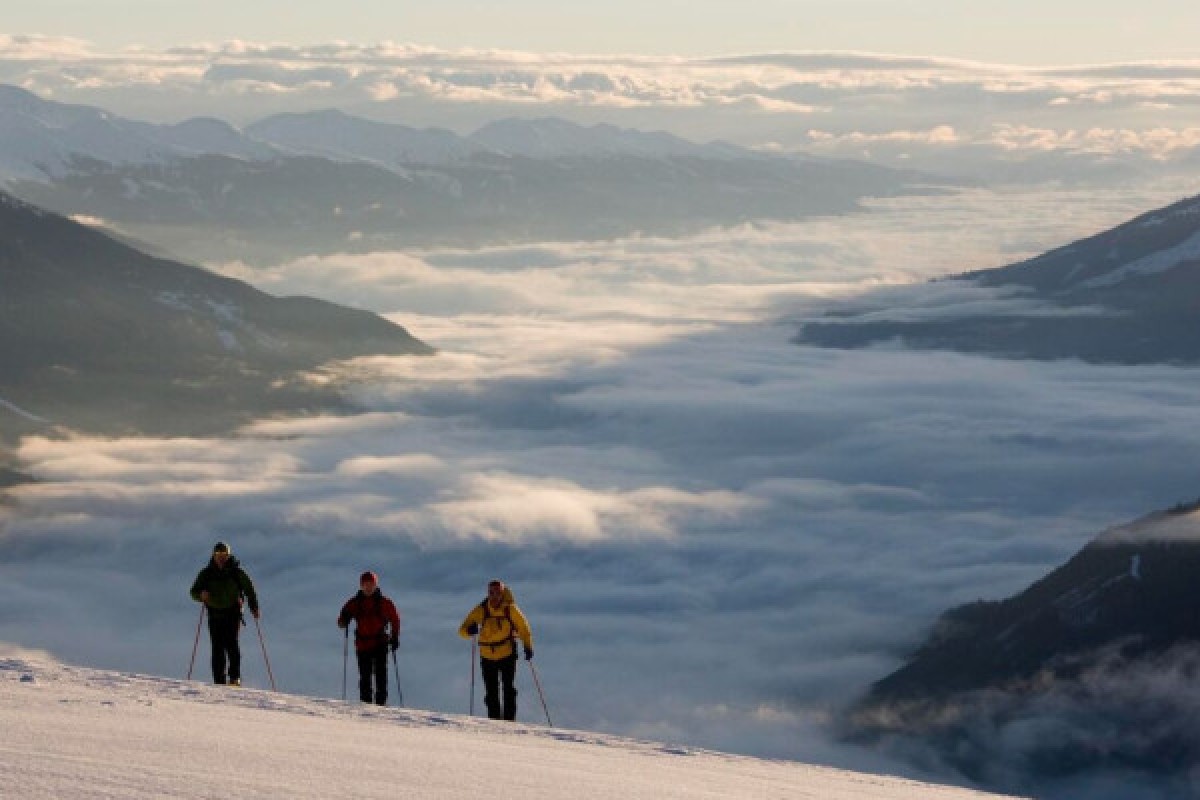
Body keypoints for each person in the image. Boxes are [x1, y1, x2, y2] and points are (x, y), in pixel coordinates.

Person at [458, 579, 534, 721]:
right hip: (488, 656)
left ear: (502, 593)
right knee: (492, 692)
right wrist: (469, 630)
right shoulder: (482, 609)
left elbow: (524, 628)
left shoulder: (510, 609)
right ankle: (495, 723)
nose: (493, 596)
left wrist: (528, 646)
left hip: (507, 653)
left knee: (508, 689)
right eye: (491, 593)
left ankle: (509, 721)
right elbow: (461, 631)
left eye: (497, 593)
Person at [189, 541, 259, 686]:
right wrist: (201, 595)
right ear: (214, 555)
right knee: (217, 649)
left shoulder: (237, 573)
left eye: (224, 554)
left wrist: (254, 607)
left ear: (228, 555)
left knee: (232, 645)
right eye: (218, 554)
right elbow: (193, 592)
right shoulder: (206, 573)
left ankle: (234, 678)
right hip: (214, 615)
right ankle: (219, 682)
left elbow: (249, 590)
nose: (221, 557)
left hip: (232, 614)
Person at [337, 571, 401, 705]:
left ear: (375, 585)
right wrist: (343, 620)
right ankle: (366, 706)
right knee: (365, 678)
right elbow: (343, 616)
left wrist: (395, 637)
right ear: (361, 585)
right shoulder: (355, 603)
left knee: (380, 677)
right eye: (366, 584)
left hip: (379, 644)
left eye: (371, 584)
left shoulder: (384, 603)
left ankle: (380, 706)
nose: (368, 587)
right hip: (363, 645)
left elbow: (395, 619)